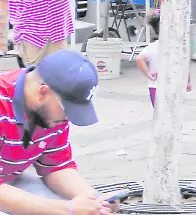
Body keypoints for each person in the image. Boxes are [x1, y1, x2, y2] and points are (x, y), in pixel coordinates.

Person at [0, 50, 119, 215]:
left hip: (9, 179)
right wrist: (67, 209)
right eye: (67, 110)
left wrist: (96, 201)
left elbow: (56, 166)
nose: (68, 118)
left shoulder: (51, 113)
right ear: (43, 92)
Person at [135, 11, 190, 108]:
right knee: (173, 111)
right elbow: (185, 66)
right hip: (174, 85)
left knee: (158, 111)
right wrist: (187, 82)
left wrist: (148, 74)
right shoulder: (177, 47)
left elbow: (139, 59)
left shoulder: (151, 47)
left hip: (155, 86)